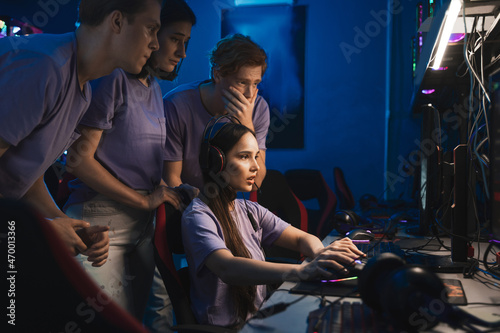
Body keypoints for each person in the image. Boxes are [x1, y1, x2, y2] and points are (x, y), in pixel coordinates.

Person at [63, 0, 196, 323]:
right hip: (101, 220)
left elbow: (132, 163)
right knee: (112, 320)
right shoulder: (114, 79)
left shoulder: (152, 87)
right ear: (151, 32)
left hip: (142, 224)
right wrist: (143, 198)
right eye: (175, 38)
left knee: (161, 315)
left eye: (186, 43)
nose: (182, 52)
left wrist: (173, 190)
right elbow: (78, 162)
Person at [0, 0, 163, 264]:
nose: (156, 44)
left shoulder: (83, 89)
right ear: (117, 21)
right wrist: (44, 227)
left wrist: (70, 226)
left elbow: (24, 176)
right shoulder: (46, 65)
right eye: (151, 28)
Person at [181, 120, 365, 328]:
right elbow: (227, 267)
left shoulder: (249, 209)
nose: (255, 166)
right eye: (244, 157)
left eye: (256, 157)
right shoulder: (198, 216)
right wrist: (301, 271)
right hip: (230, 329)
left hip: (260, 318)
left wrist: (321, 254)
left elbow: (302, 238)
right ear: (218, 162)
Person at [163, 33, 270, 191]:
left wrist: (247, 126)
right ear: (217, 74)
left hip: (226, 204)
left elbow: (256, 184)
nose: (249, 94)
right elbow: (171, 178)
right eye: (242, 82)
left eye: (255, 84)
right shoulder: (176, 105)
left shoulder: (258, 108)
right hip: (184, 202)